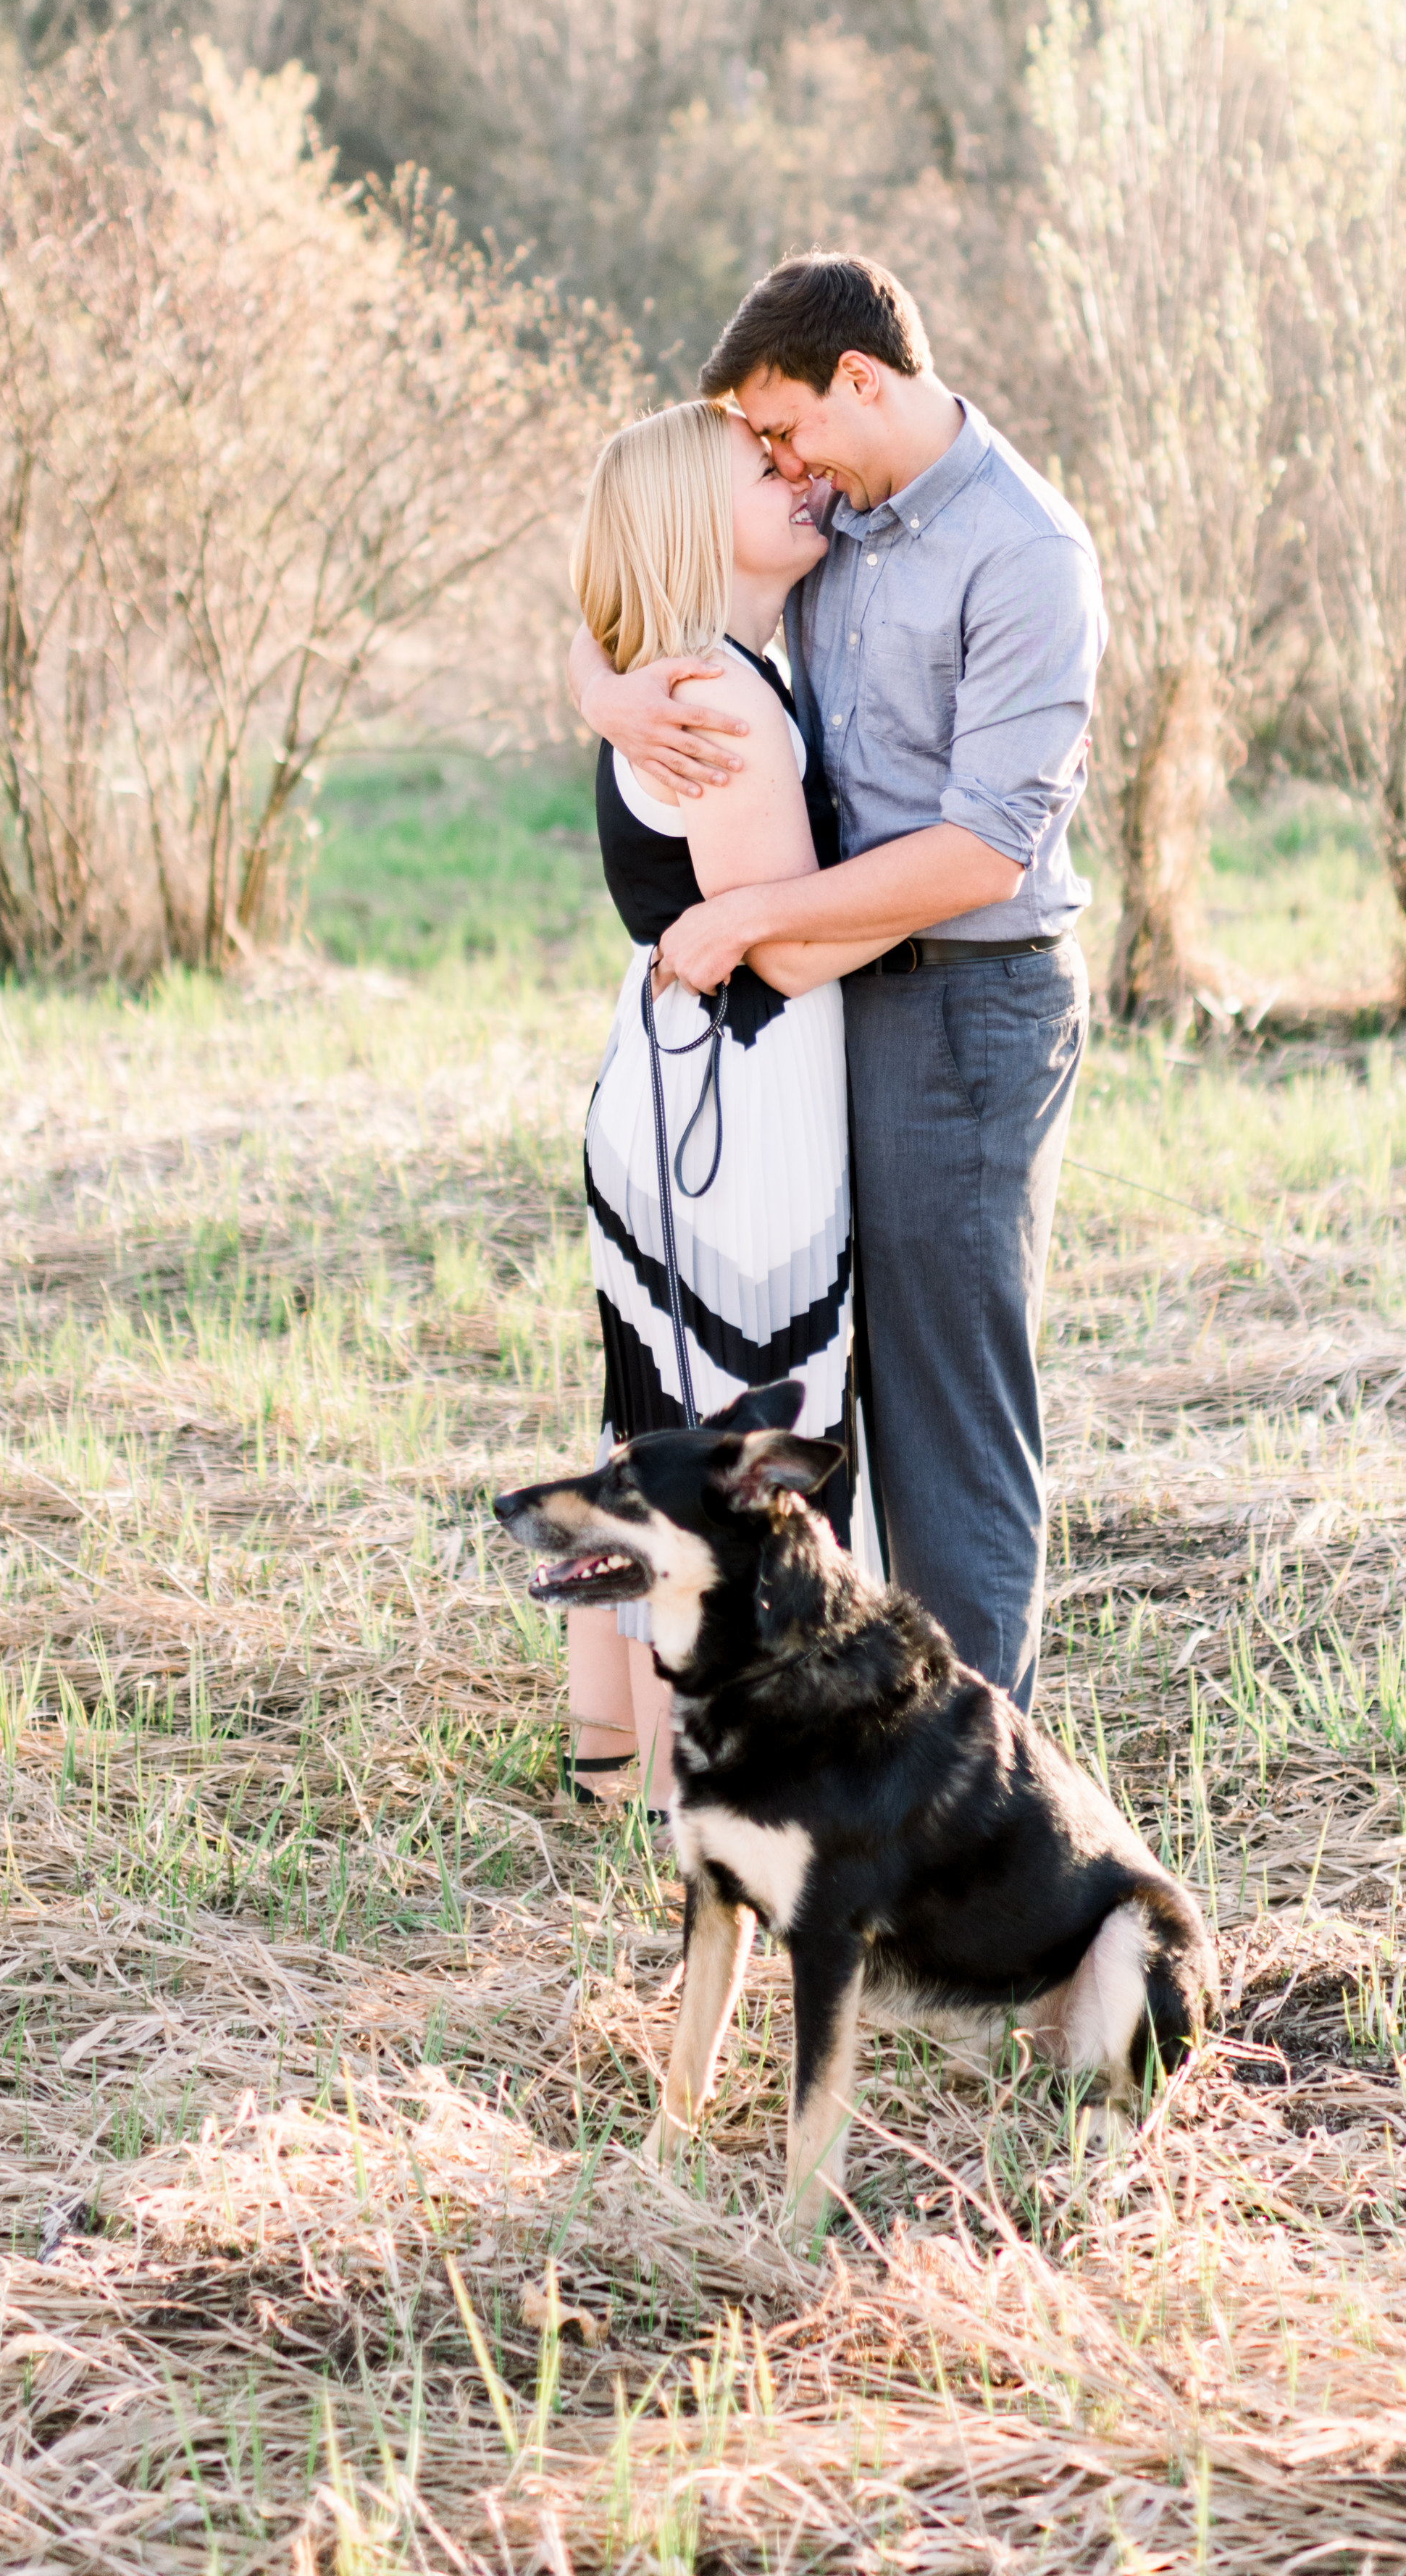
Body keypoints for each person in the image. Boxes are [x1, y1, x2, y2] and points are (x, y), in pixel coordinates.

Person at [571, 253, 1104, 1711]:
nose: (778, 464)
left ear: (858, 383)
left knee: (944, 1401)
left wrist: (751, 918)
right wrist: (603, 688)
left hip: (966, 1005)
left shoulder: (1026, 554)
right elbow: (640, 553)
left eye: (783, 429)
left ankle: (974, 1775)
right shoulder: (841, 519)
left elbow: (986, 851)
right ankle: (838, 1730)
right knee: (825, 1385)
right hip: (832, 1004)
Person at [561, 395, 897, 1811]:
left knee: (657, 1425)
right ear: (700, 522)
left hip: (679, 1094)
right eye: (764, 471)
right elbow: (795, 947)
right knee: (750, 1436)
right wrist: (972, 879)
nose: (799, 478)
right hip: (734, 1120)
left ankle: (619, 1768)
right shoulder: (716, 696)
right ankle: (735, 1784)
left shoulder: (683, 672)